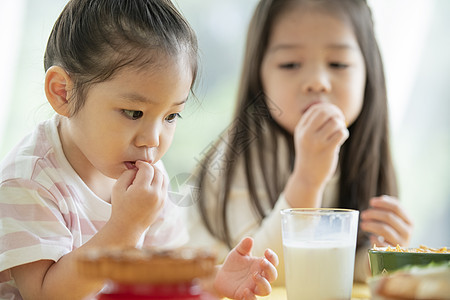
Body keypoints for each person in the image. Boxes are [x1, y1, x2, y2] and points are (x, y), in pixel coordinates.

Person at [0, 0, 279, 299]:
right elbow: (44, 295)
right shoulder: (29, 180)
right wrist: (125, 227)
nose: (153, 139)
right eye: (134, 113)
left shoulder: (143, 171)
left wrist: (214, 282)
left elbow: (163, 274)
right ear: (63, 93)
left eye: (171, 116)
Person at [184, 0, 414, 284]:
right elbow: (260, 273)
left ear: (368, 73)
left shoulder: (363, 151)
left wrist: (380, 257)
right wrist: (308, 179)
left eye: (338, 63)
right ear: (260, 75)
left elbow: (330, 270)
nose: (317, 82)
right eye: (290, 64)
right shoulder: (239, 151)